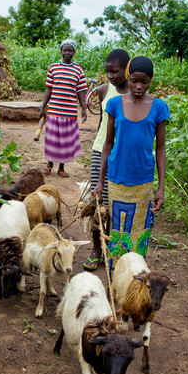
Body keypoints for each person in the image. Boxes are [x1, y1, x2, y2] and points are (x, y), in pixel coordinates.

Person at [94, 55, 169, 270]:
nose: (138, 86)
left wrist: (161, 187)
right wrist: (100, 182)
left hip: (143, 181)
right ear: (128, 77)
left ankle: (134, 278)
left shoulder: (159, 107)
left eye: (144, 82)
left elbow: (161, 148)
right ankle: (116, 277)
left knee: (139, 233)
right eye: (134, 80)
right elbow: (107, 145)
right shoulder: (114, 104)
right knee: (117, 232)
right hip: (117, 179)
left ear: (151, 81)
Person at [83, 48, 130, 270]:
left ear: (127, 69)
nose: (110, 76)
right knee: (98, 202)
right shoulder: (103, 91)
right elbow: (102, 125)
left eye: (115, 71)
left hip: (122, 155)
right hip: (100, 151)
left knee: (115, 204)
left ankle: (111, 248)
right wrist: (99, 148)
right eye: (107, 71)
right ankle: (96, 249)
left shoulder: (134, 92)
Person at [39, 40, 87, 177]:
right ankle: (49, 165)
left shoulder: (78, 70)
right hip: (54, 110)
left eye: (70, 50)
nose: (67, 53)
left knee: (65, 141)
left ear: (74, 52)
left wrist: (84, 109)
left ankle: (61, 167)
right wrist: (43, 107)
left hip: (70, 111)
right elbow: (48, 89)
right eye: (65, 50)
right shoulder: (53, 68)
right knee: (52, 139)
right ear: (61, 51)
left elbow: (81, 92)